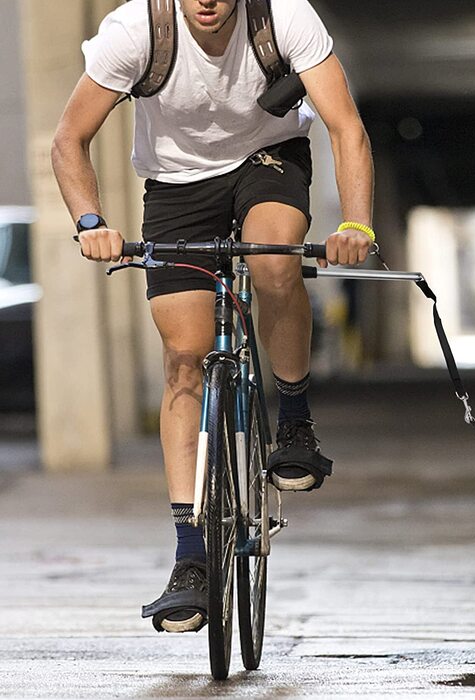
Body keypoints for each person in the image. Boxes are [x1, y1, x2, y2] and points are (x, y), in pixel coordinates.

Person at [51, 0, 374, 633]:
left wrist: (356, 224)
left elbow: (346, 128)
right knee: (183, 356)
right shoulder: (135, 31)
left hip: (269, 161)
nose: (207, 2)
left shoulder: (284, 17)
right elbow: (69, 138)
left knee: (276, 260)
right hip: (175, 187)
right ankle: (190, 558)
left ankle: (296, 421)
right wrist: (90, 222)